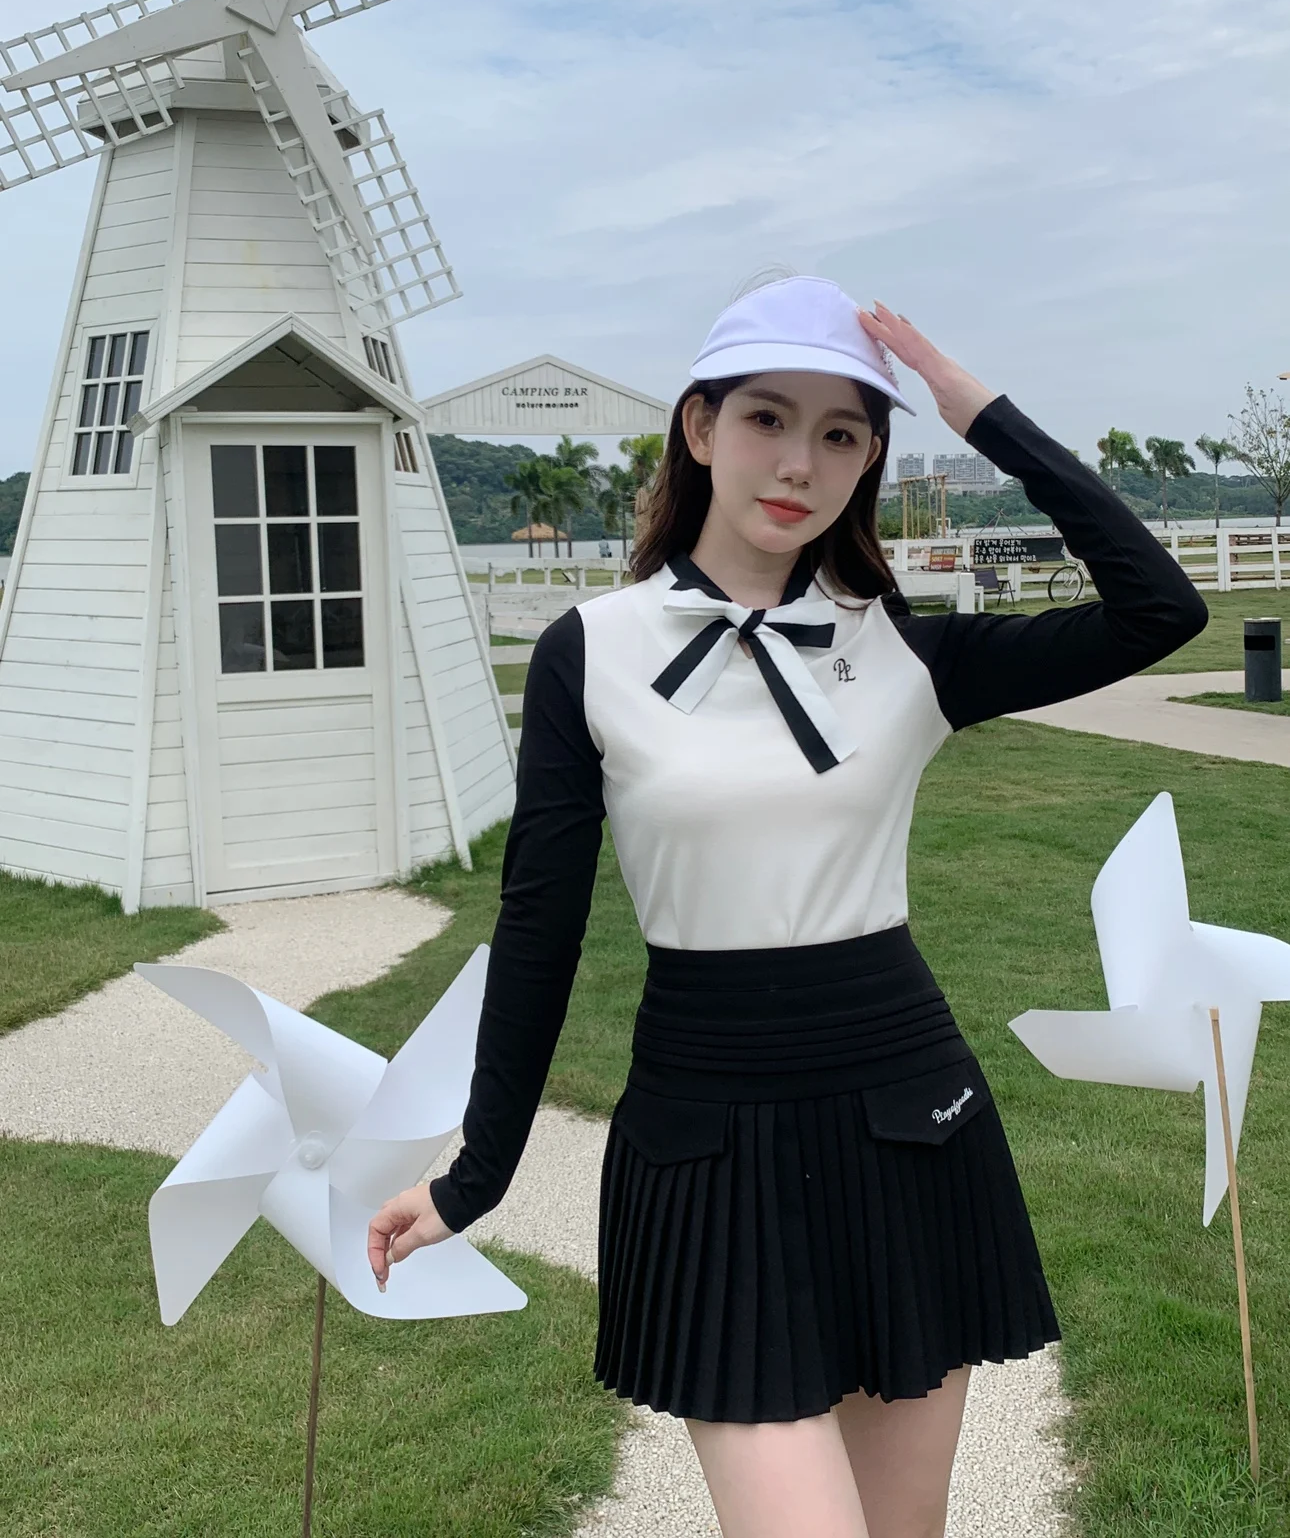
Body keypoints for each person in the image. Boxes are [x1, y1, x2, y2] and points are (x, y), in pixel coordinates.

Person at [368, 275, 1207, 1538]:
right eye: (767, 417)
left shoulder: (907, 650)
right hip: (704, 1140)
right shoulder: (590, 651)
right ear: (701, 426)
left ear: (869, 460)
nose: (800, 463)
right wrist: (476, 1176)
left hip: (909, 1127)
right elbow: (540, 928)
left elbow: (1161, 607)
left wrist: (970, 408)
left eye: (840, 433)